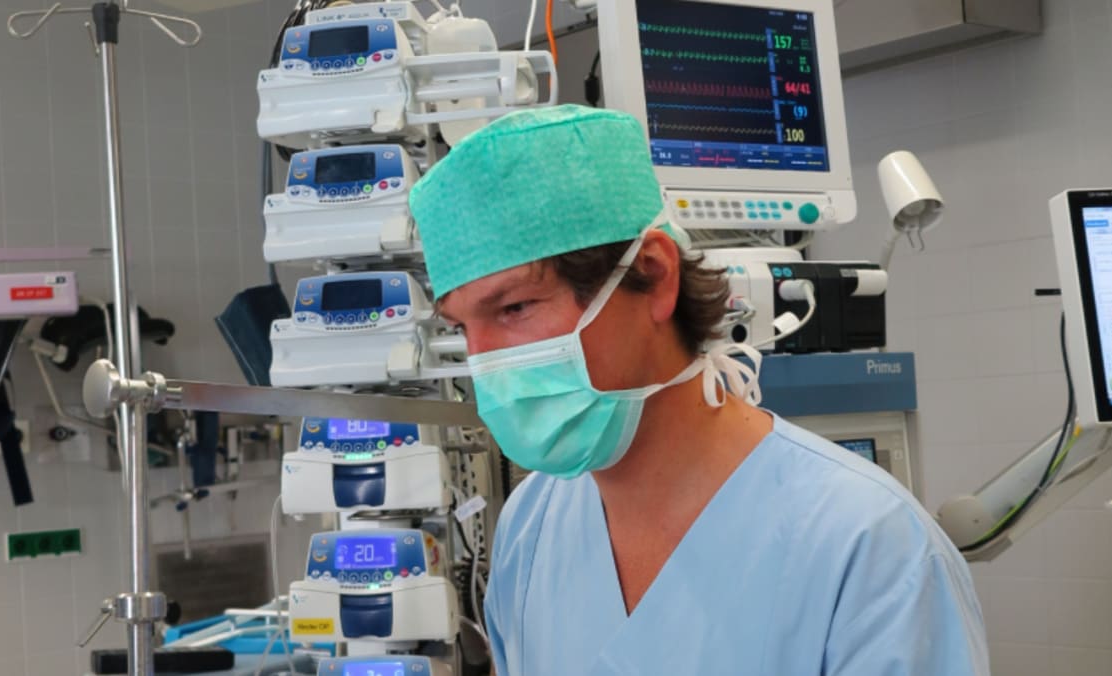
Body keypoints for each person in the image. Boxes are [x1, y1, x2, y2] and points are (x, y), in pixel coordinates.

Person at [408, 104, 988, 675]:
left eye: (514, 308)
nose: (484, 366)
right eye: (462, 329)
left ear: (655, 276)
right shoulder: (531, 529)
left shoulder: (869, 550)